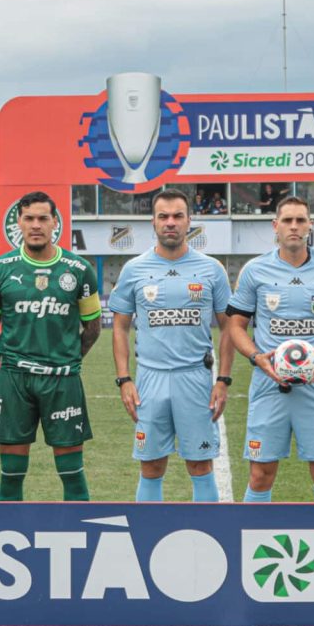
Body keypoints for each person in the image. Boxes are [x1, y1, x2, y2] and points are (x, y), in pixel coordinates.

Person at [226, 196, 314, 503]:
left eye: (301, 220)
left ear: (310, 225)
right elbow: (235, 326)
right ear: (276, 227)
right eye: (287, 220)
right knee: (260, 474)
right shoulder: (254, 270)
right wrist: (257, 357)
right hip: (268, 385)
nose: (294, 226)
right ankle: (253, 540)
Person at [109, 188, 234, 502]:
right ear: (152, 222)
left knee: (200, 464)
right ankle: (147, 537)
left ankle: (207, 541)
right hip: (150, 379)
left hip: (195, 378)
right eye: (163, 216)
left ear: (189, 221)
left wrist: (223, 380)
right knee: (150, 465)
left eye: (178, 216)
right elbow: (120, 327)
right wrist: (124, 379)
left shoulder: (212, 269)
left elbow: (230, 326)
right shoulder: (134, 269)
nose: (170, 222)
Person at [0, 191, 102, 501]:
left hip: (63, 380)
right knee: (10, 475)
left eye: (43, 218)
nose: (36, 225)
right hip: (15, 381)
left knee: (73, 476)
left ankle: (81, 540)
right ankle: (8, 536)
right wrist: (11, 360)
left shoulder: (79, 270)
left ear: (55, 223)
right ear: (18, 222)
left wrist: (68, 358)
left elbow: (93, 327)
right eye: (29, 218)